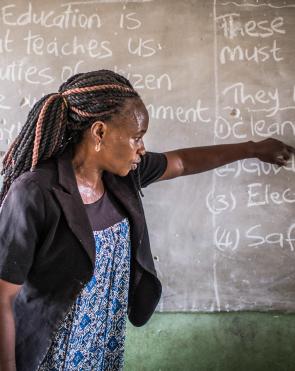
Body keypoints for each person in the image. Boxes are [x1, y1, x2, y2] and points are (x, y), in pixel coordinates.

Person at [0, 70, 293, 371]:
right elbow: (3, 298)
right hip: (47, 351)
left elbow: (182, 162)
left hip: (101, 344)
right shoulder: (35, 192)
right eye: (136, 138)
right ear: (99, 133)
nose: (142, 148)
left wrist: (253, 148)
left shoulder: (122, 176)